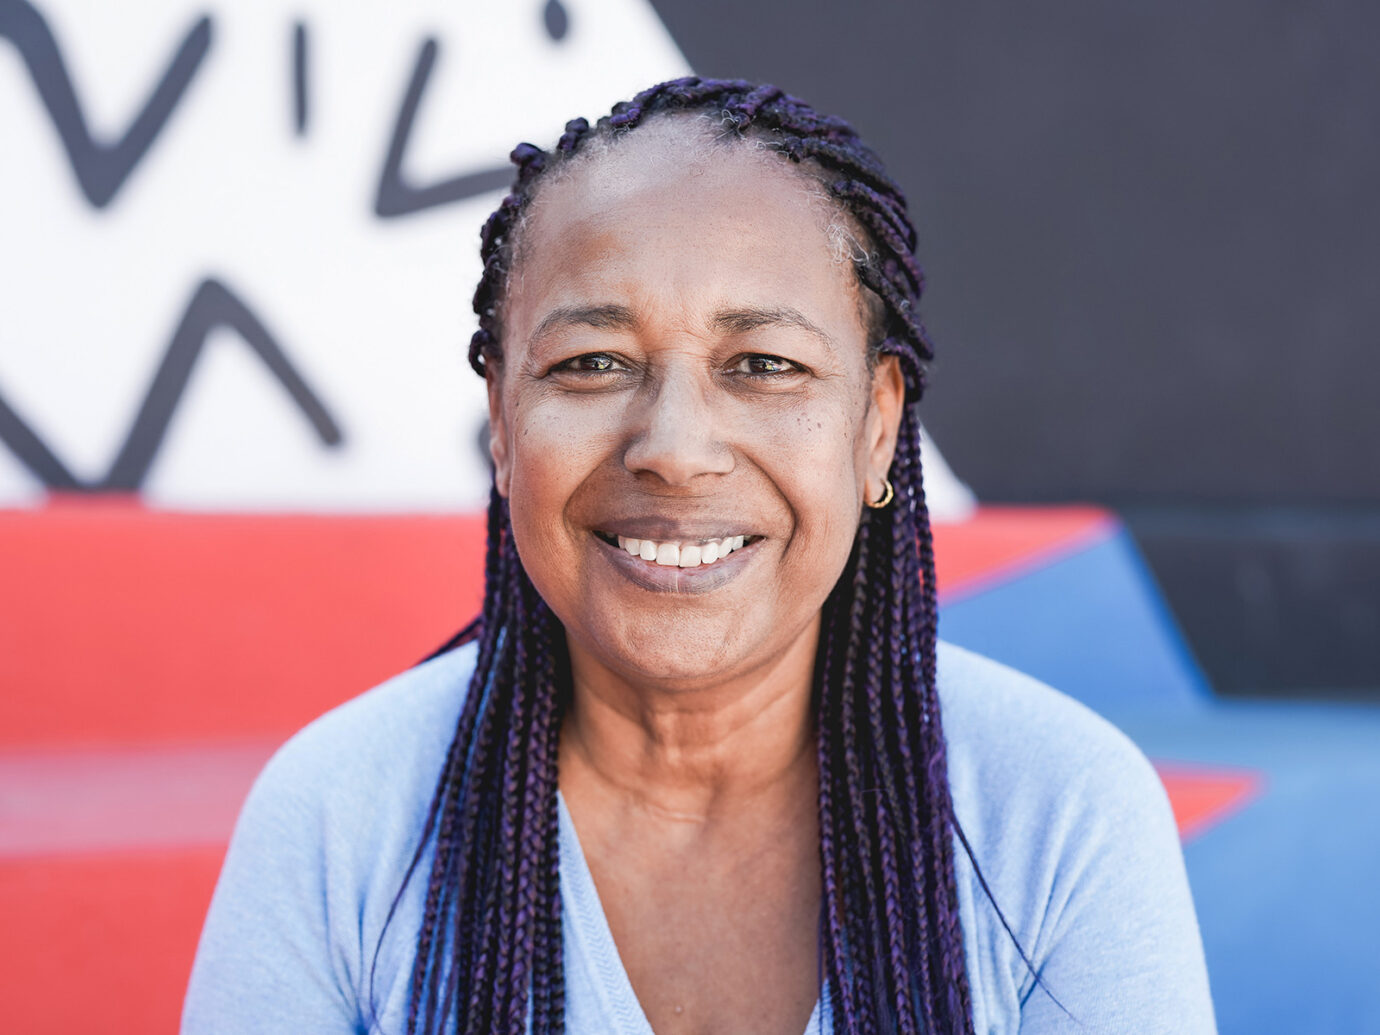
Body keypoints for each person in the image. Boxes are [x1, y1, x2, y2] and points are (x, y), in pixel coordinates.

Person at [182, 78, 1215, 1034]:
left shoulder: (1059, 820)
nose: (674, 448)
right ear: (502, 417)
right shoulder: (340, 822)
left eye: (764, 365)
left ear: (874, 428)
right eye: (592, 363)